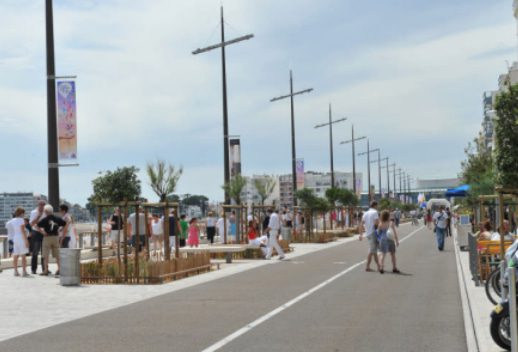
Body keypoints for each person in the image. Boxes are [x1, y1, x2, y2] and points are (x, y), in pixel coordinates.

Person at [36, 205, 66, 277]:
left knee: (45, 255)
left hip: (47, 237)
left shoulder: (45, 219)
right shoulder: (57, 218)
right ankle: (59, 269)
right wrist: (60, 229)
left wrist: (42, 232)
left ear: (46, 212)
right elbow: (65, 224)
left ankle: (46, 270)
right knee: (57, 255)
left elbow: (37, 226)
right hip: (55, 237)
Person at [359, 201, 380, 272]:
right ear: (375, 205)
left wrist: (361, 234)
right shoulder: (375, 212)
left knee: (373, 250)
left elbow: (361, 224)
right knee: (372, 250)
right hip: (373, 233)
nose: (377, 207)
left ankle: (378, 266)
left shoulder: (365, 213)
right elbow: (377, 223)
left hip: (368, 233)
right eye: (377, 206)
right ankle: (368, 266)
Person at [10, 207, 30, 277]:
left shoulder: (12, 220)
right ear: (21, 213)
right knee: (23, 256)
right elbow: (23, 230)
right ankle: (24, 271)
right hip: (21, 238)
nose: (24, 214)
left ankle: (15, 271)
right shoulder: (21, 220)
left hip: (15, 238)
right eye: (24, 213)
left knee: (15, 255)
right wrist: (26, 240)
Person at [29, 200, 46, 274]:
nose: (42, 206)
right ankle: (33, 269)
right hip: (36, 233)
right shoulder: (33, 212)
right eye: (41, 204)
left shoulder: (46, 212)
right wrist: (39, 216)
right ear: (38, 205)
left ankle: (44, 269)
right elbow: (32, 224)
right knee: (35, 252)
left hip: (44, 233)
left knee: (44, 252)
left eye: (43, 204)